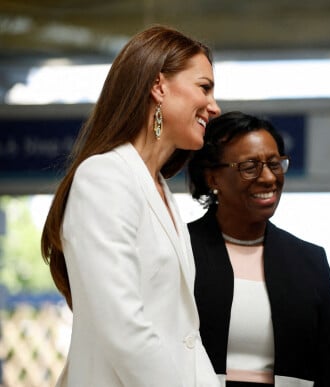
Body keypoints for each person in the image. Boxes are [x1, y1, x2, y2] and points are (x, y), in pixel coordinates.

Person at [40, 25, 221, 386]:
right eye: (204, 87)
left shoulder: (160, 189)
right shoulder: (103, 177)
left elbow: (186, 335)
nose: (214, 107)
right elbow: (123, 327)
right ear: (158, 86)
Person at [186, 111, 330, 387]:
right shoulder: (181, 250)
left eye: (275, 163)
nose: (268, 178)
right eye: (250, 166)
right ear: (213, 178)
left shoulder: (310, 262)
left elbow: (324, 369)